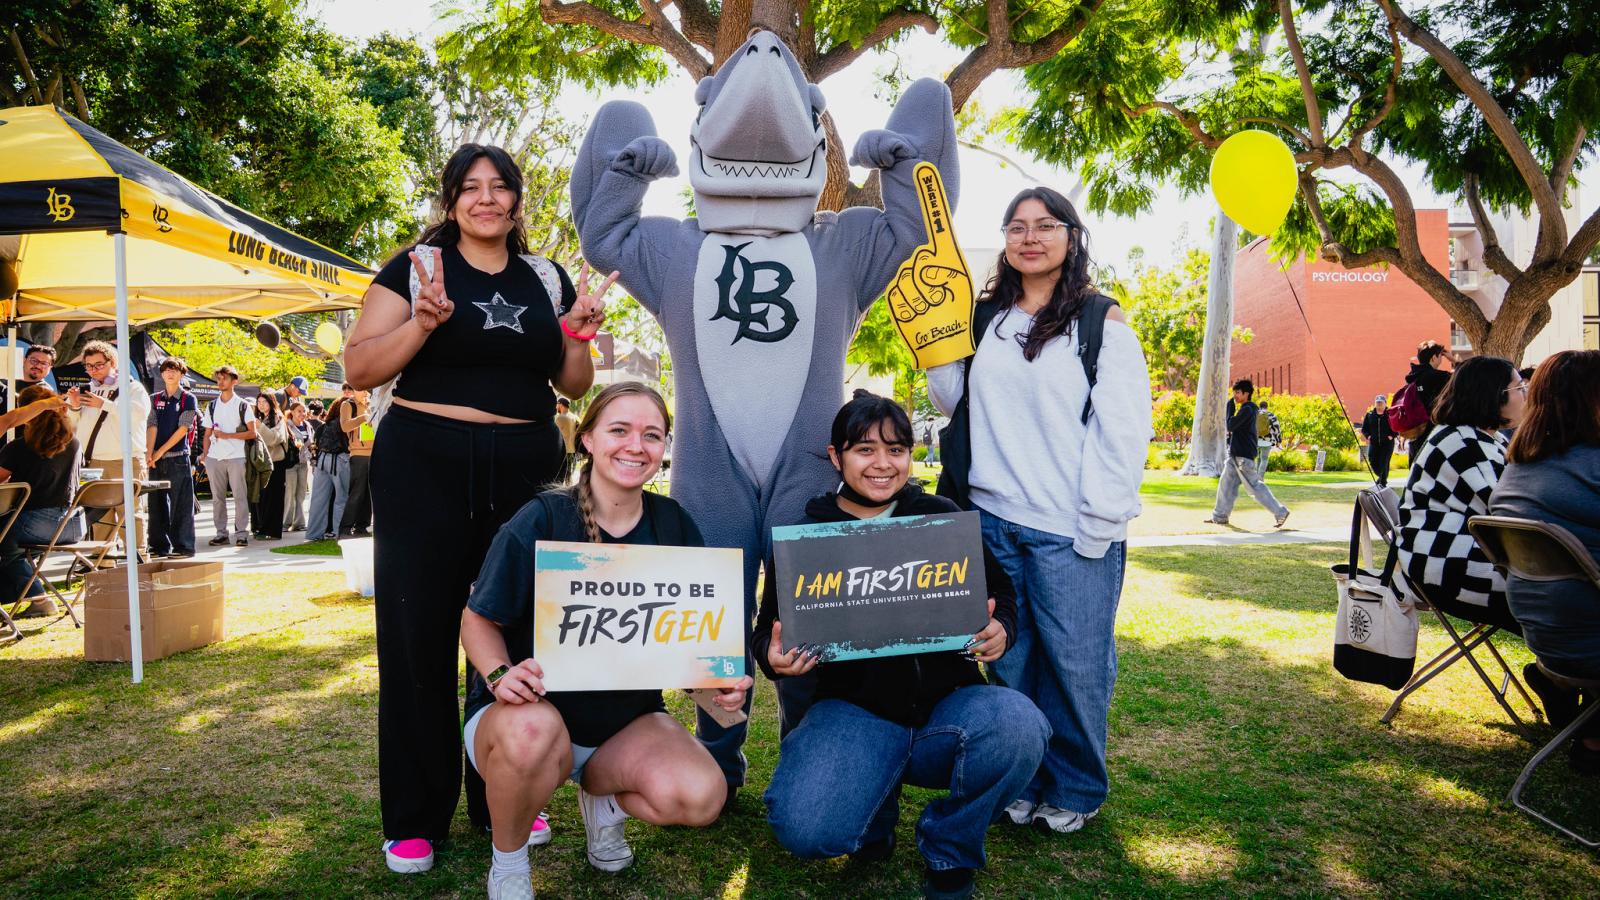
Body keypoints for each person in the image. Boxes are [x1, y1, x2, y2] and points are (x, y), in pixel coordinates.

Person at [343, 142, 609, 874]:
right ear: (450, 200)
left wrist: (578, 334)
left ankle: (511, 788)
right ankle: (415, 816)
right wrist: (422, 323)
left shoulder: (545, 277)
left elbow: (575, 383)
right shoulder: (415, 268)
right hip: (423, 461)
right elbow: (359, 367)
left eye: (499, 188)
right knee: (418, 633)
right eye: (470, 188)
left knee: (518, 635)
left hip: (525, 467)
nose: (486, 199)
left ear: (518, 200)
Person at [461, 382, 750, 898]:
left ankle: (605, 802)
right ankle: (509, 861)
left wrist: (718, 691)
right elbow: (477, 620)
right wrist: (501, 675)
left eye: (652, 435)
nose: (636, 446)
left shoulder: (673, 525)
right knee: (530, 735)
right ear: (588, 438)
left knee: (704, 794)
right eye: (619, 430)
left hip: (622, 726)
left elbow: (689, 651)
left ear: (665, 448)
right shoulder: (543, 518)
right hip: (525, 719)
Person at [755, 391, 1047, 900]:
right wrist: (773, 659)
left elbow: (999, 591)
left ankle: (951, 848)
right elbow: (768, 632)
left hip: (950, 706)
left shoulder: (940, 516)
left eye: (897, 449)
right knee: (806, 827)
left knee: (1019, 725)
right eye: (865, 449)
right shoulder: (807, 538)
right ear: (835, 457)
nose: (883, 464)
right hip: (855, 711)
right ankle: (874, 815)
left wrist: (1003, 629)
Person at [926, 187, 1153, 836]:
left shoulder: (1101, 324)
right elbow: (952, 401)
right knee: (1013, 662)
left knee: (1078, 666)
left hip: (1069, 531)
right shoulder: (985, 319)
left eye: (1045, 225)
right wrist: (933, 334)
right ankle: (1022, 779)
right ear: (1004, 239)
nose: (1030, 237)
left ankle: (1078, 786)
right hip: (992, 523)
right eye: (1016, 226)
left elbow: (1122, 437)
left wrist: (1096, 529)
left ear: (1070, 237)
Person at [1488, 350, 1600, 773]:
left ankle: (1590, 734)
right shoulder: (1592, 466)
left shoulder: (1520, 466)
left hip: (1543, 635)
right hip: (1588, 639)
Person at [1397, 355, 1526, 632]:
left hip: (1446, 560)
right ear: (1494, 395)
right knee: (1562, 597)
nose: (1526, 395)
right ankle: (1561, 669)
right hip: (1447, 567)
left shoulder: (1475, 437)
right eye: (1520, 388)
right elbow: (1510, 511)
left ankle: (1557, 667)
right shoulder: (1463, 442)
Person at [0, 386, 84, 617]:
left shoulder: (18, 448)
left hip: (37, 524)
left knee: (4, 539)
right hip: (73, 523)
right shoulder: (74, 442)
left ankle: (39, 598)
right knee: (13, 547)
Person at [69, 340, 151, 548]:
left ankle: (139, 558)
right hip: (94, 461)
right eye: (89, 366)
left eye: (98, 365)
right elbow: (73, 426)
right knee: (99, 513)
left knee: (130, 513)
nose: (93, 371)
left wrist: (105, 405)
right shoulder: (87, 389)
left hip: (125, 459)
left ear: (112, 362)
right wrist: (75, 407)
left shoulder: (132, 387)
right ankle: (102, 562)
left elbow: (138, 414)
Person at [1206, 379, 1291, 528]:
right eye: (1234, 393)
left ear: (1247, 394)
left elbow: (1231, 425)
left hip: (1243, 457)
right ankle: (1219, 516)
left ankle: (1280, 512)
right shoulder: (1248, 409)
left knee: (1255, 487)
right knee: (1225, 485)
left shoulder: (1248, 409)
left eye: (1238, 393)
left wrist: (1229, 408)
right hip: (1235, 456)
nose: (1235, 396)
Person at [145, 357, 198, 558]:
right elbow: (152, 425)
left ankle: (184, 546)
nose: (170, 373)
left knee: (180, 505)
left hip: (177, 457)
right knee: (156, 505)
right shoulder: (154, 398)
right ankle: (158, 546)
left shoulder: (187, 398)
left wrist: (160, 451)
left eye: (175, 370)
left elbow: (183, 428)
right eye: (167, 369)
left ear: (181, 374)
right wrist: (150, 453)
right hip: (156, 461)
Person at [202, 366, 256, 547]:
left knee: (239, 496)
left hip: (236, 456)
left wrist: (227, 435)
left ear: (234, 381)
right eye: (218, 379)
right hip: (214, 457)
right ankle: (221, 534)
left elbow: (252, 433)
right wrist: (205, 454)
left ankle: (241, 534)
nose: (220, 382)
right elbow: (207, 432)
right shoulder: (211, 405)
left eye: (224, 378)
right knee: (217, 498)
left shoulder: (242, 405)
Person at [304, 384, 357, 542]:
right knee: (341, 498)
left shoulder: (324, 426)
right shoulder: (343, 425)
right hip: (338, 460)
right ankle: (338, 531)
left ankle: (314, 533)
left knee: (318, 499)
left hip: (321, 461)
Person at [248, 392, 288, 541]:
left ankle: (272, 530)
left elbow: (274, 439)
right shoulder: (258, 419)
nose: (261, 404)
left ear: (271, 402)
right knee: (260, 498)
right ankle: (260, 527)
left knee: (274, 498)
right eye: (259, 402)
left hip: (276, 463)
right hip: (260, 464)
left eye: (264, 401)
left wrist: (260, 427)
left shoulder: (278, 418)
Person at [1402, 339, 1454, 446]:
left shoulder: (1411, 377)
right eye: (1440, 356)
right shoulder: (1440, 377)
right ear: (1434, 358)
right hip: (1435, 432)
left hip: (1415, 432)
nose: (1441, 360)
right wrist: (1453, 360)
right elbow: (1465, 379)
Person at [340, 389, 373, 536]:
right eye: (362, 390)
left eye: (367, 390)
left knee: (369, 495)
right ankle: (345, 529)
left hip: (374, 453)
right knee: (357, 493)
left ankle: (362, 527)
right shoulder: (348, 405)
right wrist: (362, 418)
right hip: (358, 454)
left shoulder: (371, 404)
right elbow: (344, 426)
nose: (365, 393)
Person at [283, 401, 313, 533]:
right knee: (290, 493)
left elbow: (310, 443)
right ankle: (285, 523)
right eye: (299, 411)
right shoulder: (287, 425)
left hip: (303, 463)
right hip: (290, 463)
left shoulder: (307, 425)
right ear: (293, 412)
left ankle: (299, 523)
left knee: (301, 494)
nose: (302, 414)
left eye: (303, 411)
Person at [1361, 394, 1398, 487]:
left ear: (1385, 404)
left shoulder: (1390, 414)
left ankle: (1382, 482)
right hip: (1374, 443)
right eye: (1378, 403)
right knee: (1372, 460)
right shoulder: (1369, 415)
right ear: (1375, 404)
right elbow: (1364, 429)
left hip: (1387, 444)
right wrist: (1368, 436)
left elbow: (1397, 427)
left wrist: (1392, 435)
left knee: (1384, 462)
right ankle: (1382, 477)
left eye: (1381, 403)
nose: (1379, 405)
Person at [1254, 398, 1281, 475]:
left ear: (1259, 406)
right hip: (1267, 440)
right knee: (1264, 459)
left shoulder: (1255, 414)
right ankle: (1260, 478)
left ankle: (1256, 477)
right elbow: (1276, 428)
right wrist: (1278, 440)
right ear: (1267, 407)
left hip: (1256, 440)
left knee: (1258, 458)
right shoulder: (1271, 415)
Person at [555, 396, 578, 483]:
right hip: (572, 450)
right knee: (569, 476)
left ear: (560, 405)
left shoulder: (560, 418)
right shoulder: (575, 417)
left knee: (560, 477)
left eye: (557, 404)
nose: (556, 407)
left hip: (562, 451)